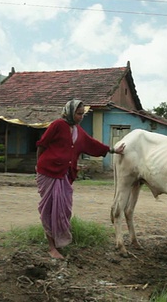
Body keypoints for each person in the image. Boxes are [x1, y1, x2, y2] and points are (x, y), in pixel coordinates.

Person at [35, 99, 125, 259]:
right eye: (78, 114)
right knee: (49, 209)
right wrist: (38, 166)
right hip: (48, 171)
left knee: (63, 209)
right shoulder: (57, 125)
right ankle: (51, 247)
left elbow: (92, 144)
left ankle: (59, 241)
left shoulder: (78, 131)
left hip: (65, 174)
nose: (81, 117)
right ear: (69, 112)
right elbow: (42, 144)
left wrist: (112, 149)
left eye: (82, 114)